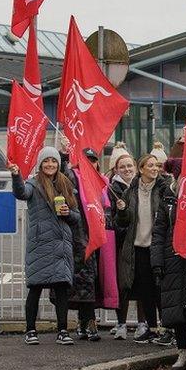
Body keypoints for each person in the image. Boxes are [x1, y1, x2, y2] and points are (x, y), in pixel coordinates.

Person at [10, 147, 80, 346]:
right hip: (40, 244)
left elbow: (77, 217)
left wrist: (67, 213)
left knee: (61, 289)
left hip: (61, 245)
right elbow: (21, 193)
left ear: (59, 164)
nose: (50, 165)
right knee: (35, 287)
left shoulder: (66, 185)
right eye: (46, 161)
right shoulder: (33, 183)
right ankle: (30, 331)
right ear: (40, 164)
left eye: (54, 161)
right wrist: (16, 175)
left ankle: (63, 331)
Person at [114, 154, 172, 345]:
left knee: (160, 289)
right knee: (145, 290)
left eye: (157, 166)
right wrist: (122, 211)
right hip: (138, 247)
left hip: (157, 246)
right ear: (141, 169)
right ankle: (152, 328)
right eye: (150, 166)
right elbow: (121, 222)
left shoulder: (163, 188)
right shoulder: (130, 192)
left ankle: (167, 328)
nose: (155, 169)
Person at [149, 174, 186, 370]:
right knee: (177, 309)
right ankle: (183, 351)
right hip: (173, 258)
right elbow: (158, 232)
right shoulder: (167, 199)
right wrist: (157, 261)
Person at [59, 147, 104, 342]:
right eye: (86, 161)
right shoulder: (74, 179)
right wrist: (63, 155)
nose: (90, 164)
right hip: (79, 237)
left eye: (93, 161)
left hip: (101, 236)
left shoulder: (103, 183)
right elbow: (62, 174)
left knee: (94, 281)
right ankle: (86, 321)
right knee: (82, 281)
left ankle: (88, 320)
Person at [107, 147, 137, 339]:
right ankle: (121, 323)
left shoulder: (141, 186)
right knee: (122, 284)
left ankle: (144, 324)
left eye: (129, 166)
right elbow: (112, 218)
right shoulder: (112, 188)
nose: (127, 169)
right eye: (122, 166)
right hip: (121, 242)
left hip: (140, 241)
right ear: (116, 170)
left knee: (141, 284)